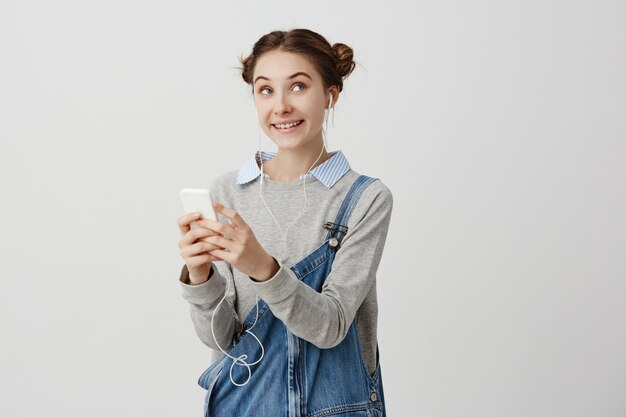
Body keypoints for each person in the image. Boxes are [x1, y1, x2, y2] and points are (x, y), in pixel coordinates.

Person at [176, 28, 393, 417]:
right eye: (265, 90)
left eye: (297, 87)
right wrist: (200, 276)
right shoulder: (228, 192)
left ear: (331, 94)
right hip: (244, 406)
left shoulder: (365, 198)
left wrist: (261, 267)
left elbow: (330, 327)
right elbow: (224, 341)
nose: (280, 106)